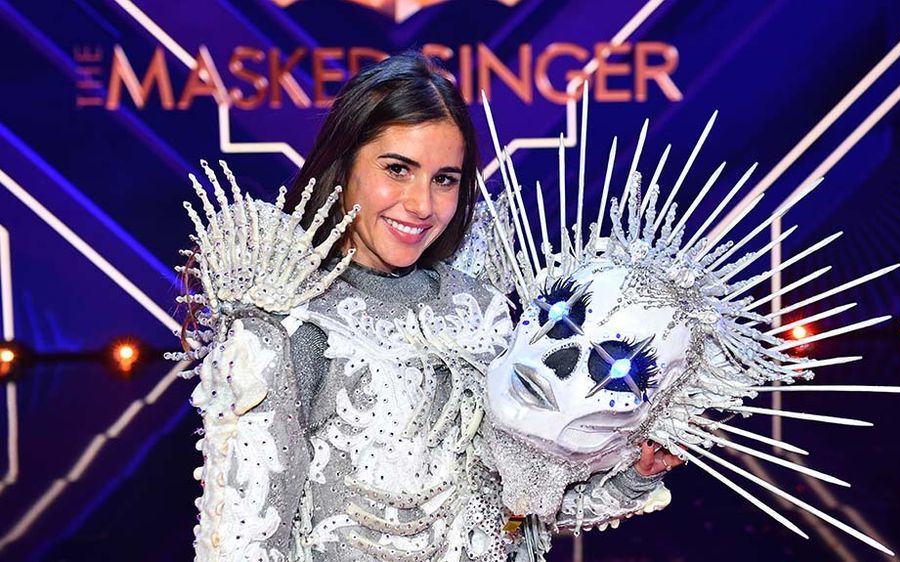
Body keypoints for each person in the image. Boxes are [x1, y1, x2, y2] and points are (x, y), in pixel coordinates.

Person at [183, 51, 678, 562]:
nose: (422, 204)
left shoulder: (483, 311)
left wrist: (635, 478)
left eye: (445, 179)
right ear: (344, 163)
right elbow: (242, 545)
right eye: (398, 169)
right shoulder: (288, 325)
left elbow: (520, 513)